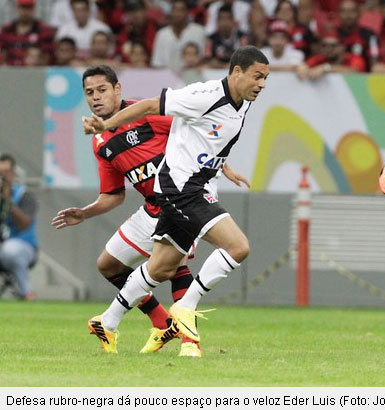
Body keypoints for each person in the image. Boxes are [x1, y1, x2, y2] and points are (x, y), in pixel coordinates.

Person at [53, 65, 250, 356]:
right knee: (108, 265)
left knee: (173, 265)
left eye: (102, 90)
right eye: (89, 93)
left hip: (181, 197)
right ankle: (162, 324)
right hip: (150, 208)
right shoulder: (100, 142)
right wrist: (85, 212)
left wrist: (224, 166)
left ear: (117, 89)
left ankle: (189, 343)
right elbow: (113, 195)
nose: (95, 97)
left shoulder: (147, 116)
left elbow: (198, 137)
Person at [0, 154, 38, 300]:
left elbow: (24, 225)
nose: (3, 176)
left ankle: (25, 291)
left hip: (24, 246)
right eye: (0, 172)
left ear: (14, 173)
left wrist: (8, 200)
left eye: (6, 171)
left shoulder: (25, 195)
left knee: (11, 249)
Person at [0, 0, 55, 66]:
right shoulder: (7, 29)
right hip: (9, 70)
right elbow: (2, 51)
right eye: (23, 8)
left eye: (28, 8)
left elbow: (47, 56)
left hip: (33, 70)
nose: (25, 12)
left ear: (33, 9)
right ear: (18, 9)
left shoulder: (44, 30)